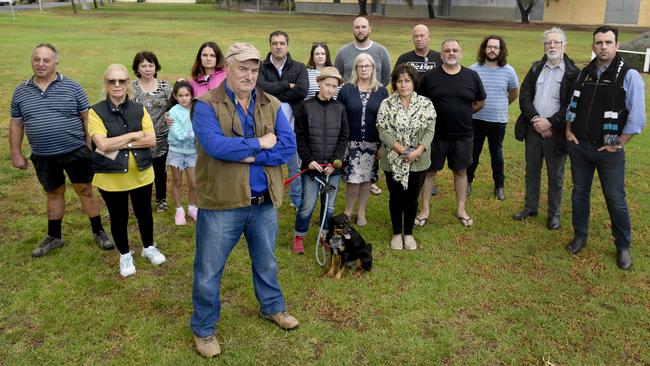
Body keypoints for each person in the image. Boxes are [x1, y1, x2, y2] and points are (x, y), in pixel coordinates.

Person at [190, 42, 299, 358]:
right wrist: (260, 143)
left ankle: (272, 307)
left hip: (263, 201)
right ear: (228, 68)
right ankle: (204, 329)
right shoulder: (206, 105)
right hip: (222, 203)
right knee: (209, 270)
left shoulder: (271, 103)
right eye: (243, 69)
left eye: (254, 70)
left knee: (267, 261)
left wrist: (249, 156)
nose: (249, 76)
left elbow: (287, 147)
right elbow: (215, 147)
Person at [9, 43, 114, 257]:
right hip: (43, 155)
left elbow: (87, 118)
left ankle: (99, 231)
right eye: (36, 59)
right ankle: (54, 237)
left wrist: (88, 146)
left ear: (56, 62)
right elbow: (16, 123)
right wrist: (16, 153)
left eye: (46, 60)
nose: (40, 64)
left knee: (84, 189)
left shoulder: (73, 87)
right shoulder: (21, 91)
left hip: (75, 151)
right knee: (54, 193)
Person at [564, 26, 646, 270]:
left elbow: (637, 118)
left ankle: (623, 246)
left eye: (608, 42)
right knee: (579, 193)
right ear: (593, 46)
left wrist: (616, 144)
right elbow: (573, 105)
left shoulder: (629, 75)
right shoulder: (585, 73)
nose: (603, 46)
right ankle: (580, 236)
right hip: (580, 147)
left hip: (608, 150)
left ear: (616, 44)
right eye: (599, 42)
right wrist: (568, 130)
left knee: (615, 198)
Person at [88, 64, 166, 277]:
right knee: (118, 216)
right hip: (110, 177)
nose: (117, 85)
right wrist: (133, 136)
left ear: (127, 84)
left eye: (121, 81)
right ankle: (124, 254)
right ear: (106, 84)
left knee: (144, 214)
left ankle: (149, 247)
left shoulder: (138, 109)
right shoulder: (95, 111)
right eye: (112, 81)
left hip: (141, 173)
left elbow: (151, 139)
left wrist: (119, 142)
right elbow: (101, 145)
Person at [513, 27, 579, 231]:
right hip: (533, 130)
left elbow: (572, 105)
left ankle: (554, 215)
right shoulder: (535, 68)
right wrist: (535, 120)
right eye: (548, 42)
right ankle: (530, 207)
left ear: (563, 45)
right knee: (531, 171)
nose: (552, 46)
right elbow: (524, 97)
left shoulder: (572, 73)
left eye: (556, 42)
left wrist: (550, 122)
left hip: (556, 133)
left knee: (556, 176)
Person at [416, 39, 486, 227]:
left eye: (455, 50)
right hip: (435, 135)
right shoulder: (430, 77)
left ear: (461, 53)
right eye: (447, 50)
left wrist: (463, 113)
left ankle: (461, 208)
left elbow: (479, 102)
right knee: (430, 172)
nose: (451, 53)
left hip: (463, 135)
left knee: (461, 171)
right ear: (441, 55)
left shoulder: (471, 76)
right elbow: (420, 102)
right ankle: (424, 209)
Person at [377, 64, 436, 250]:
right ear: (394, 83)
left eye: (407, 81)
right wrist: (401, 150)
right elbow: (382, 130)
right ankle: (396, 233)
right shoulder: (386, 104)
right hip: (393, 159)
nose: (403, 85)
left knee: (411, 198)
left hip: (418, 160)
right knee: (396, 197)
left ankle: (408, 233)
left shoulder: (425, 104)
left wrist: (417, 151)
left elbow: (430, 130)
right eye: (399, 81)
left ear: (413, 82)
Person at [291, 67, 349, 254]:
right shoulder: (306, 107)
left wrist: (336, 161)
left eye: (334, 86)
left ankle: (324, 235)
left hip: (332, 169)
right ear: (319, 83)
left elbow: (344, 137)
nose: (331, 89)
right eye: (328, 85)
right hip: (312, 168)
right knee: (307, 205)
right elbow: (299, 136)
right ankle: (299, 235)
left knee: (329, 206)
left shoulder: (340, 109)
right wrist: (308, 160)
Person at [257, 30, 309, 210]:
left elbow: (302, 91)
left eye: (282, 43)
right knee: (266, 164)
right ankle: (266, 195)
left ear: (287, 45)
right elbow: (260, 88)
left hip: (292, 127)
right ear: (270, 45)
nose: (278, 46)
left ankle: (296, 199)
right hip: (266, 127)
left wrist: (274, 93)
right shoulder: (261, 67)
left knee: (294, 167)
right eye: (275, 43)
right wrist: (287, 85)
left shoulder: (299, 67)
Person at [337, 53, 389, 226]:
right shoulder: (346, 89)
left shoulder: (381, 90)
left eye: (367, 66)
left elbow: (385, 119)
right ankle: (348, 211)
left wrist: (382, 145)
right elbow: (339, 116)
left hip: (372, 142)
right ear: (356, 69)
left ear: (373, 68)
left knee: (366, 178)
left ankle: (361, 212)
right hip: (351, 141)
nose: (364, 69)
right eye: (361, 66)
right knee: (352, 179)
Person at [466, 35, 519, 200]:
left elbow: (513, 93)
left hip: (498, 121)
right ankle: (467, 182)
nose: (492, 50)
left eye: (496, 47)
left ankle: (499, 185)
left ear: (501, 50)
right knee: (473, 152)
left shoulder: (509, 71)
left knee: (497, 154)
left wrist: (500, 105)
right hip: (477, 119)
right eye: (489, 47)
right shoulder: (473, 70)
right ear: (484, 49)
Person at [395, 24, 442, 197]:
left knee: (428, 145)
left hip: (431, 111)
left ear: (429, 37)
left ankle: (427, 180)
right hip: (408, 111)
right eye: (416, 36)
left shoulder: (439, 57)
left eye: (422, 35)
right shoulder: (404, 58)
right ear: (412, 37)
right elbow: (396, 83)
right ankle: (406, 176)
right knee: (408, 144)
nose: (419, 39)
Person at [131, 51, 173, 212]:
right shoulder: (132, 87)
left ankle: (161, 199)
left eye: (150, 65)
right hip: (140, 137)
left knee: (160, 170)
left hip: (162, 136)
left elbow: (175, 105)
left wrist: (170, 115)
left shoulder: (164, 87)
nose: (147, 69)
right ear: (137, 68)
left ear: (156, 67)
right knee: (141, 168)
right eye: (143, 65)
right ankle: (142, 199)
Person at [166, 80, 198, 226]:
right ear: (175, 96)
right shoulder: (173, 112)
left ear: (192, 95)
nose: (184, 98)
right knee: (177, 181)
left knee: (194, 183)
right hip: (176, 152)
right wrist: (195, 133)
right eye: (180, 95)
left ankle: (192, 207)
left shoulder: (197, 110)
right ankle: (179, 210)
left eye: (187, 95)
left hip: (192, 152)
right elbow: (178, 134)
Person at [334, 16, 391, 88]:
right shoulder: (342, 52)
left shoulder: (381, 51)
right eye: (357, 27)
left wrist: (376, 91)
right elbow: (336, 77)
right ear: (353, 30)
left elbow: (387, 77)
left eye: (363, 27)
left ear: (369, 29)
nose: (360, 30)